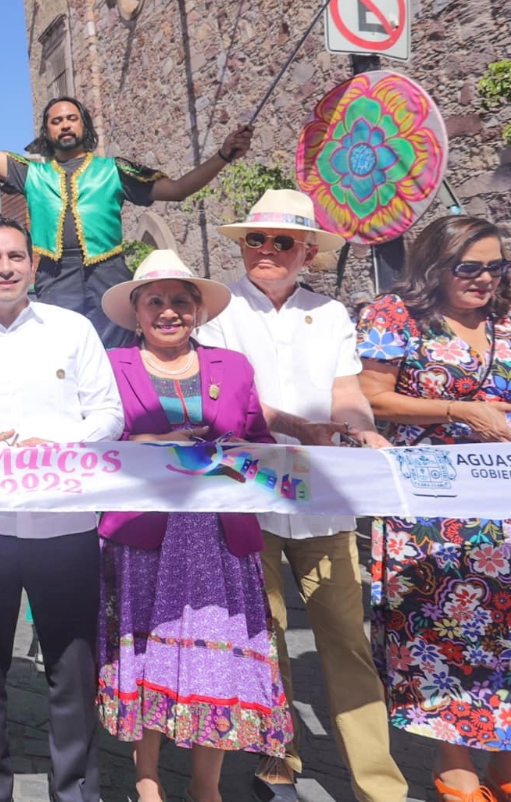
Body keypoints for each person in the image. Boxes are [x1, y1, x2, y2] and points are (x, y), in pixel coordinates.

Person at [195, 190, 405, 802]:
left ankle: (379, 786)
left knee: (347, 642)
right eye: (256, 240)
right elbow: (228, 401)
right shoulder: (218, 311)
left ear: (307, 252)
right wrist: (299, 427)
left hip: (322, 496)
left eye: (282, 241)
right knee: (264, 637)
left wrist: (360, 425)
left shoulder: (332, 313)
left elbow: (346, 391)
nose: (267, 251)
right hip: (248, 496)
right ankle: (276, 763)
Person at [0, 215, 122, 802]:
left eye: (15, 257)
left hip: (65, 524)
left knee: (72, 671)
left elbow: (107, 413)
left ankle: (77, 792)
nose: (5, 268)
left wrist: (62, 449)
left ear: (33, 265)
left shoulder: (73, 329)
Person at [96, 250, 291, 802]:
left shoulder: (234, 368)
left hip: (219, 540)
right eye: (154, 301)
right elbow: (92, 445)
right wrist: (152, 446)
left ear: (198, 310)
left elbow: (261, 444)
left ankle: (207, 789)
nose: (168, 311)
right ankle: (149, 782)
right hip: (143, 537)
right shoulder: (112, 367)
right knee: (147, 654)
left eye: (180, 300)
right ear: (136, 313)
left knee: (218, 663)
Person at [356, 215, 511, 802]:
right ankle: (459, 773)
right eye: (468, 267)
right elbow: (373, 395)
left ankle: (504, 768)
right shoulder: (394, 315)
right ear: (435, 264)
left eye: (495, 267)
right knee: (444, 639)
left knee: (504, 639)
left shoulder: (505, 318)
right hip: (431, 516)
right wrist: (460, 411)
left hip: (502, 512)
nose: (484, 279)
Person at [0, 83, 252, 346]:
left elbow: (178, 189)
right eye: (56, 121)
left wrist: (223, 156)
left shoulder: (114, 169)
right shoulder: (33, 174)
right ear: (47, 131)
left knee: (117, 347)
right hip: (55, 274)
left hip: (108, 270)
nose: (65, 124)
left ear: (83, 125)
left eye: (71, 118)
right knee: (59, 346)